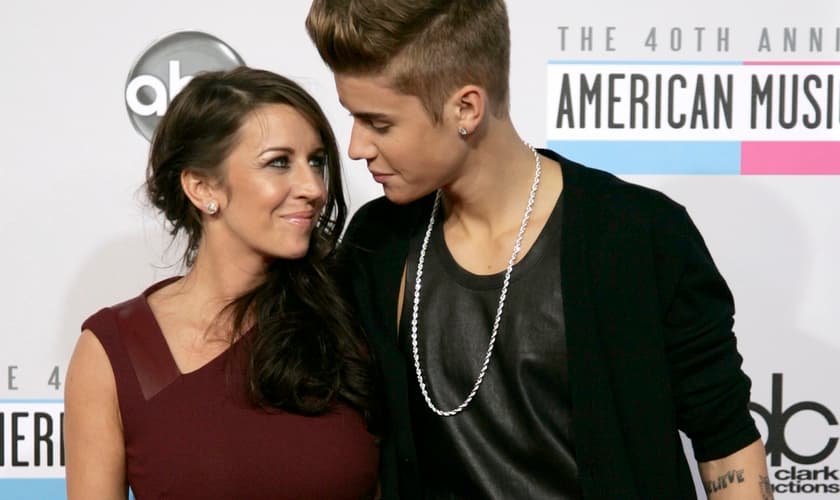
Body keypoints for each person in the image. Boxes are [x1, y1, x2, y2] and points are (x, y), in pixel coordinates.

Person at [305, 1, 773, 499]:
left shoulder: (637, 235)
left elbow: (726, 445)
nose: (356, 148)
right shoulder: (377, 242)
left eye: (379, 124)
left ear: (466, 107)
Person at [64, 67, 380, 500]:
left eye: (317, 162)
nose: (312, 187)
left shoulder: (350, 314)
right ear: (202, 187)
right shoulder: (117, 349)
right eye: (279, 163)